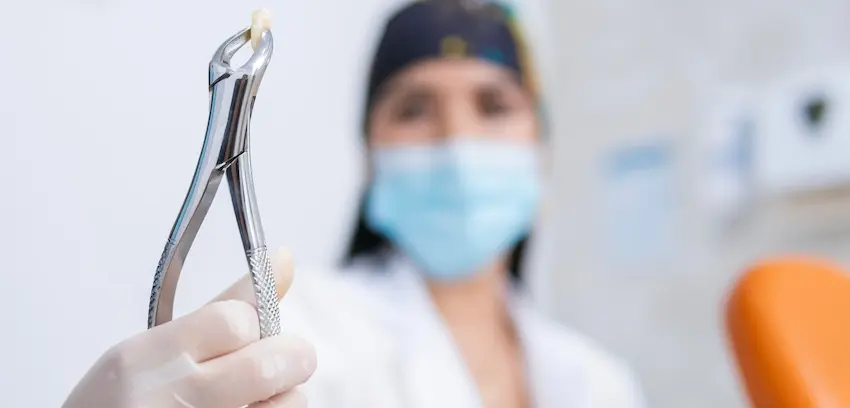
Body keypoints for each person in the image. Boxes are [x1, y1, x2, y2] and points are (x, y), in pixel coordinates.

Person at [62, 1, 645, 407]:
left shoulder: (599, 384)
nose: (455, 138)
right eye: (414, 109)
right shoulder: (295, 340)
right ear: (369, 155)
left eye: (493, 105)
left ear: (541, 146)